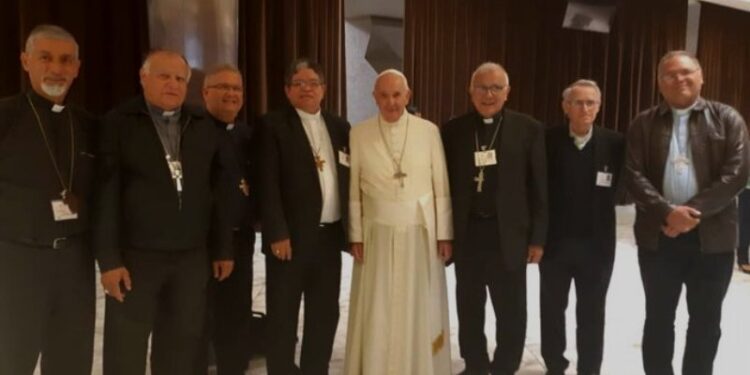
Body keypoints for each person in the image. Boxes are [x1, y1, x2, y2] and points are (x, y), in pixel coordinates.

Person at [94, 50, 235, 375]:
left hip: (191, 256)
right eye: (163, 76)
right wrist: (109, 260)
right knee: (125, 345)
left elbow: (218, 194)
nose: (172, 84)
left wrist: (223, 247)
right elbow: (106, 194)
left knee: (181, 344)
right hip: (137, 257)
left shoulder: (201, 124)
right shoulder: (119, 122)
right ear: (144, 79)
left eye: (179, 78)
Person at [625, 50, 749, 375]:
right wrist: (667, 213)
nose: (679, 79)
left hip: (713, 240)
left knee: (706, 322)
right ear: (659, 83)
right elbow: (633, 174)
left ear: (701, 76)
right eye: (669, 74)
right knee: (659, 318)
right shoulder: (643, 123)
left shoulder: (727, 118)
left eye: (686, 72)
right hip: (659, 238)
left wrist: (691, 212)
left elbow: (736, 174)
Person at [0, 24, 96, 375]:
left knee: (71, 361)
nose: (56, 68)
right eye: (46, 58)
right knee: (13, 358)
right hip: (17, 264)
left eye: (65, 60)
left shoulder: (88, 124)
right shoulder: (5, 117)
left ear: (77, 67)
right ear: (26, 61)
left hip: (75, 264)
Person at [344, 69, 453, 375]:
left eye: (397, 95)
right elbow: (353, 190)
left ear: (408, 95)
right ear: (374, 97)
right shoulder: (359, 133)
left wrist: (444, 234)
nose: (391, 102)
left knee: (418, 302)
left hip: (421, 233)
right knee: (377, 304)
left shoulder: (428, 131)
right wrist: (356, 235)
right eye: (384, 95)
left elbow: (440, 186)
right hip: (375, 232)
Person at [441, 62, 547, 375]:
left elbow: (539, 188)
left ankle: (505, 366)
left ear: (507, 92)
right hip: (469, 233)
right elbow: (442, 185)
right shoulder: (454, 130)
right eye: (481, 87)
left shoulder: (528, 128)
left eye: (495, 88)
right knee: (469, 306)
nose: (488, 94)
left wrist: (538, 238)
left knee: (511, 309)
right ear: (470, 91)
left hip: (510, 235)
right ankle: (474, 364)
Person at [259, 58, 350, 375]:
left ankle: (315, 369)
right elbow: (266, 184)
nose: (306, 89)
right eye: (299, 83)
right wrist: (276, 233)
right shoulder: (272, 126)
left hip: (329, 238)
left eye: (313, 83)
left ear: (324, 89)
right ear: (287, 90)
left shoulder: (340, 127)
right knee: (283, 313)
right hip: (290, 240)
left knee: (325, 313)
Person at [540, 79, 625, 375]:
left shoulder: (615, 143)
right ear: (565, 107)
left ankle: (589, 369)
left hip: (597, 246)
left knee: (592, 313)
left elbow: (622, 187)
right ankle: (554, 365)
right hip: (555, 245)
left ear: (599, 107)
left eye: (591, 103)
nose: (585, 108)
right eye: (578, 102)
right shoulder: (547, 140)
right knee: (552, 311)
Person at [194, 64, 258, 375]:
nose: (231, 94)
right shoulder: (193, 132)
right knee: (201, 319)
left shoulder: (248, 134)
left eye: (236, 88)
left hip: (241, 240)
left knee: (236, 316)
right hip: (203, 243)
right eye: (223, 87)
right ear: (206, 92)